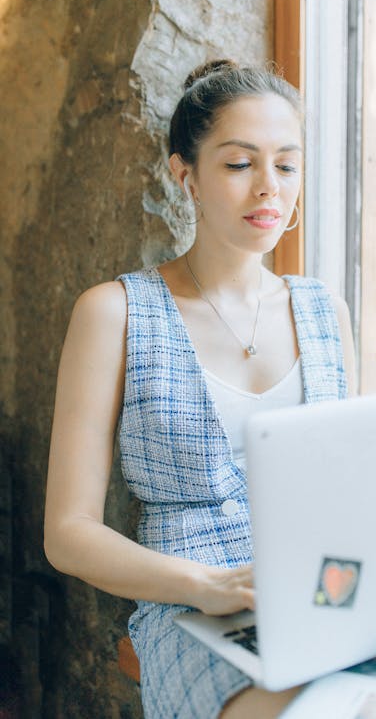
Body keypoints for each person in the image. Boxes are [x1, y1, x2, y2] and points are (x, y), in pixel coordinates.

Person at [44, 59, 356, 719]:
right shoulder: (116, 312)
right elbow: (67, 533)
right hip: (187, 608)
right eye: (240, 164)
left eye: (287, 165)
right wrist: (208, 583)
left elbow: (350, 489)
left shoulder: (327, 311)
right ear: (185, 174)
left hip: (320, 590)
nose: (268, 188)